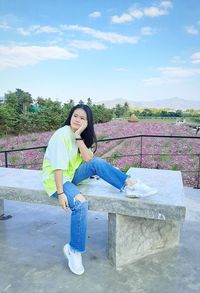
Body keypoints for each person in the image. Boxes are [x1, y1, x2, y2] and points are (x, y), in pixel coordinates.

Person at [42, 104, 157, 275]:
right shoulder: (61, 135)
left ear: (87, 122)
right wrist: (60, 193)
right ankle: (74, 249)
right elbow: (58, 168)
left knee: (97, 162)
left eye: (83, 118)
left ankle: (128, 185)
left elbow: (89, 158)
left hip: (71, 174)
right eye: (75, 116)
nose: (78, 120)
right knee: (80, 204)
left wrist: (78, 136)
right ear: (70, 117)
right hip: (56, 179)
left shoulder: (75, 135)